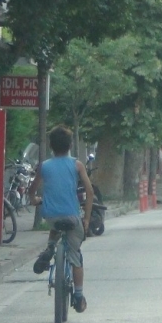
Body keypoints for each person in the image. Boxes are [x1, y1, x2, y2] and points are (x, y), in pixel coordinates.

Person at [29, 125, 94, 313]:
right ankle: (79, 296)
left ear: (51, 145)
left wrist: (35, 200)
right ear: (70, 145)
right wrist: (87, 218)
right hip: (72, 217)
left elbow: (32, 190)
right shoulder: (77, 165)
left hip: (50, 215)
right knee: (76, 256)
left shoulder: (44, 166)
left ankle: (50, 247)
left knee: (56, 224)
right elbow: (89, 192)